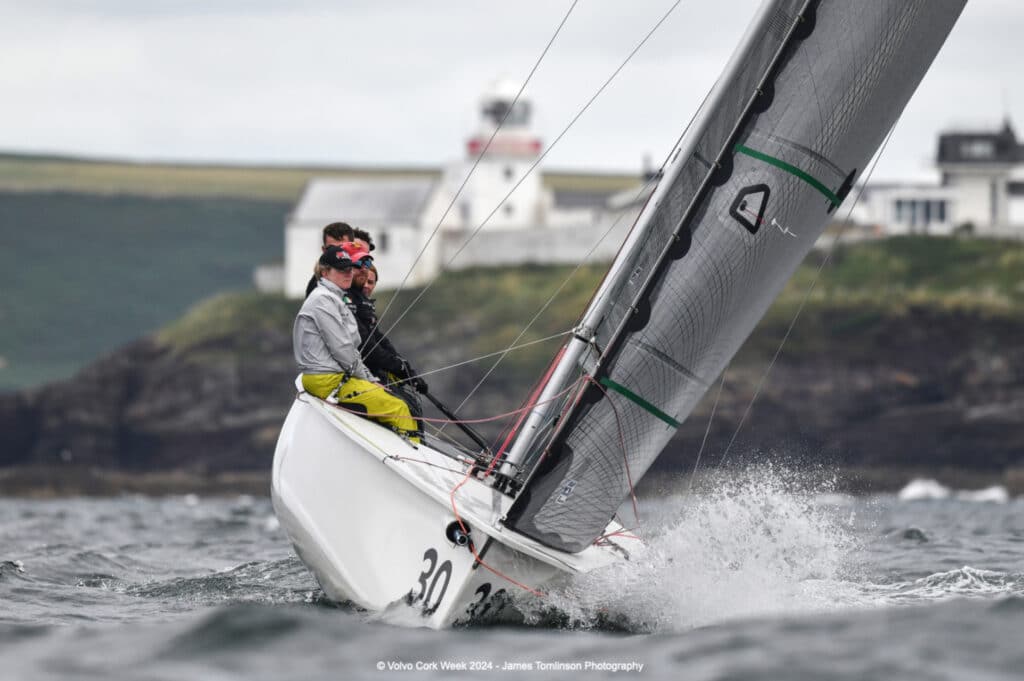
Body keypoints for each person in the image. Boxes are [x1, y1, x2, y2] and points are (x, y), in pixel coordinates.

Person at [293, 245, 419, 443]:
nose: (348, 273)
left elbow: (353, 349)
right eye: (341, 270)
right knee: (399, 409)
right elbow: (343, 349)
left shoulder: (336, 298)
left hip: (336, 377)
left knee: (396, 400)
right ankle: (416, 460)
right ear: (325, 272)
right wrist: (368, 380)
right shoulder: (322, 300)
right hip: (327, 381)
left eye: (350, 268)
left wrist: (370, 378)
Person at [340, 244, 428, 435]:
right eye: (358, 266)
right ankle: (411, 452)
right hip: (349, 376)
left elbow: (379, 340)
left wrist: (406, 369)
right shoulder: (343, 299)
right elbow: (366, 347)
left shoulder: (361, 303)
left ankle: (414, 443)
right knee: (402, 409)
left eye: (371, 282)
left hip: (364, 371)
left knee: (412, 406)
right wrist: (398, 367)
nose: (366, 285)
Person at [304, 222, 356, 298]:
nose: (337, 252)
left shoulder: (362, 273)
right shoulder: (318, 285)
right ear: (324, 250)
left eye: (342, 248)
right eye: (331, 248)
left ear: (353, 248)